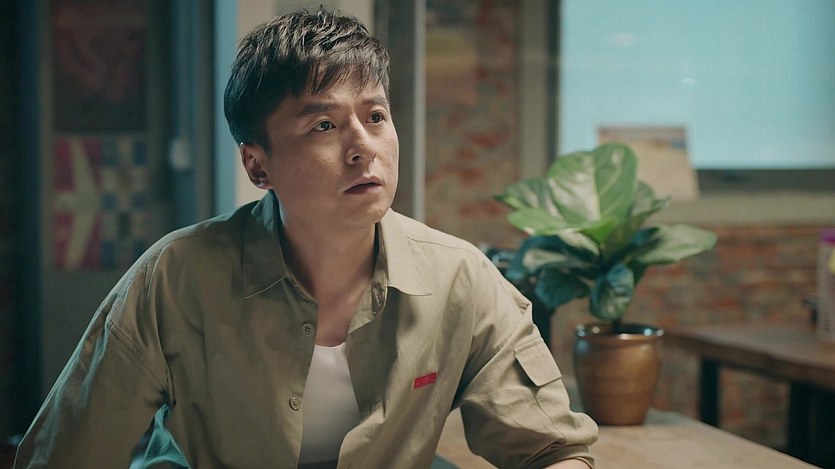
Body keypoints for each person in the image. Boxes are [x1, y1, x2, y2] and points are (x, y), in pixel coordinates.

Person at [15, 7, 597, 469]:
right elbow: (65, 455)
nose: (363, 146)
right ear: (257, 165)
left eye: (375, 116)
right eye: (323, 125)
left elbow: (552, 449)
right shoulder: (174, 277)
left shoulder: (459, 278)